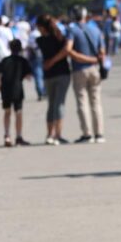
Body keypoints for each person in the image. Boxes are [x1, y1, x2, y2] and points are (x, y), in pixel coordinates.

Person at [67, 6, 106, 144]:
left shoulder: (72, 30)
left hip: (79, 69)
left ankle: (87, 133)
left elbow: (68, 49)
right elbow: (102, 51)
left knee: (82, 102)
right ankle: (99, 133)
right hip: (95, 69)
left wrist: (82, 58)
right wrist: (94, 60)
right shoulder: (95, 30)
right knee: (96, 102)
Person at [36, 14, 72, 145]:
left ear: (41, 27)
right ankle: (58, 134)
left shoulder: (40, 40)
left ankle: (50, 134)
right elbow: (66, 50)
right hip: (63, 72)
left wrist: (50, 62)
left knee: (52, 104)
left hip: (49, 74)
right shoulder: (60, 37)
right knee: (58, 104)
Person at [0, 39, 32, 147]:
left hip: (5, 89)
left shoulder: (4, 60)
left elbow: (1, 75)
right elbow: (28, 76)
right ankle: (18, 137)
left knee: (7, 112)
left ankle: (7, 135)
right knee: (18, 113)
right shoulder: (22, 60)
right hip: (17, 89)